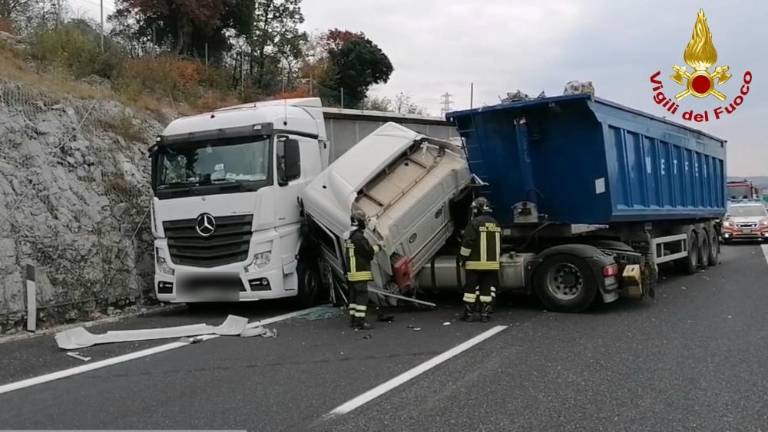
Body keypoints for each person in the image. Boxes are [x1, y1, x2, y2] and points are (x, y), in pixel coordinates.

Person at [459, 197, 501, 322]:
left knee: (470, 290)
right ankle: (485, 314)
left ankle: (469, 313)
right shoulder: (495, 223)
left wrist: (462, 258)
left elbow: (468, 242)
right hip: (491, 264)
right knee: (487, 289)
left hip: (474, 263)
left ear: (477, 209)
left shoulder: (474, 223)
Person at [344, 208, 381, 330]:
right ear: (359, 221)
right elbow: (368, 253)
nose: (365, 222)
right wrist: (379, 247)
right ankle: (360, 322)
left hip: (351, 273)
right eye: (363, 220)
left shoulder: (348, 236)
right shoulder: (359, 238)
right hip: (360, 272)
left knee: (353, 298)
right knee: (362, 297)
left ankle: (353, 321)